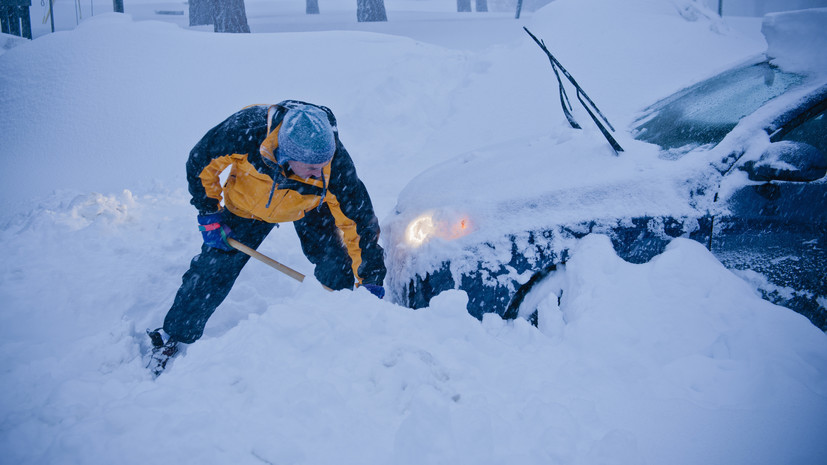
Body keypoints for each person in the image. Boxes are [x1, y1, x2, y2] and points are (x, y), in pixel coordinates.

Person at [147, 100, 386, 376]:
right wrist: (208, 211)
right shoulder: (244, 131)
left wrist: (370, 279)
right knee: (213, 271)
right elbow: (201, 162)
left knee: (335, 263)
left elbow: (359, 225)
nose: (320, 173)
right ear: (287, 153)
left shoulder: (334, 166)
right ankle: (173, 336)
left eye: (323, 165)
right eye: (311, 168)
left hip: (308, 205)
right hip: (247, 207)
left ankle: (349, 320)